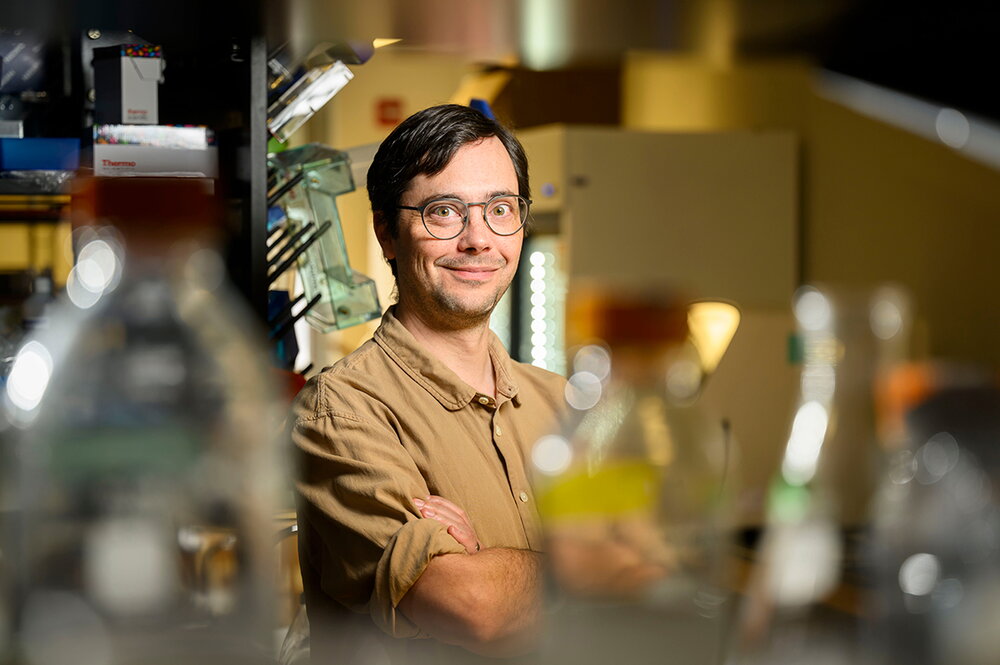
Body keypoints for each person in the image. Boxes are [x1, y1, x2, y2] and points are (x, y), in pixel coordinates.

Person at [292, 104, 566, 664]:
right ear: (388, 233)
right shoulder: (342, 413)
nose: (478, 240)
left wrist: (492, 559)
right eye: (444, 212)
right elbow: (474, 606)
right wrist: (586, 566)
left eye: (500, 209)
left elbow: (656, 572)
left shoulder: (565, 403)